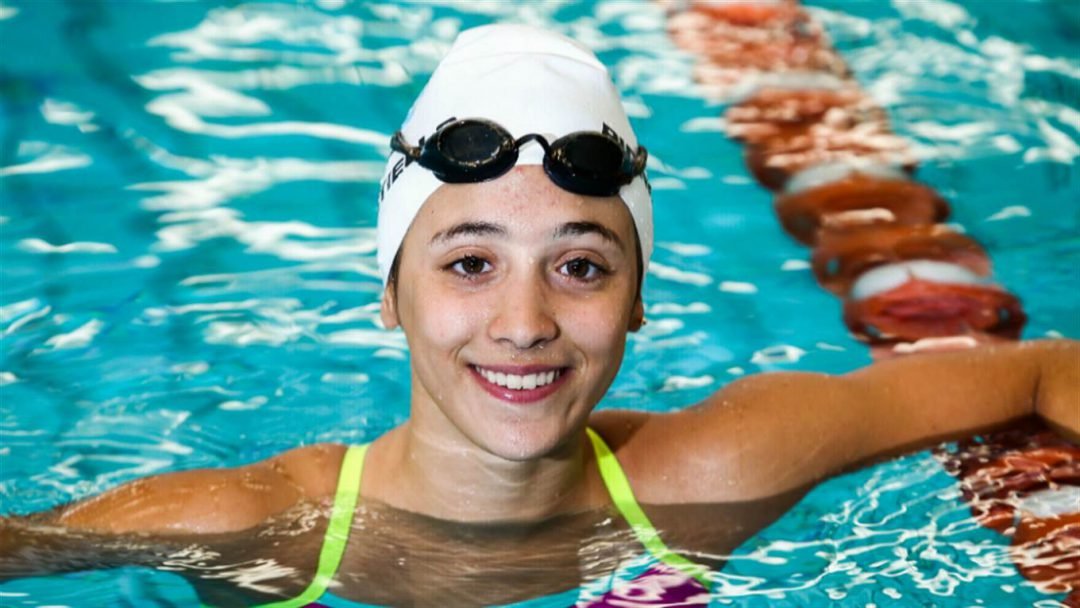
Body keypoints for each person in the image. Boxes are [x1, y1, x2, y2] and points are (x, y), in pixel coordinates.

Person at [2, 24, 1077, 608]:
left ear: (640, 298)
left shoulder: (718, 471)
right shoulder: (260, 528)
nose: (523, 322)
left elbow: (1033, 373)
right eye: (470, 261)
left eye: (579, 265)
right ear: (390, 292)